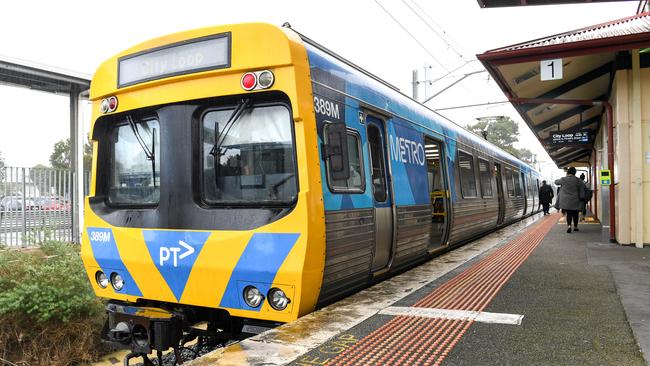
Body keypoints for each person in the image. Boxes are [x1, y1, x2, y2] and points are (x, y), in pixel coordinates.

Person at [555, 167, 584, 233]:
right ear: (575, 173)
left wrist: (563, 178)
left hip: (566, 201)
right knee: (575, 214)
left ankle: (569, 226)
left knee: (569, 214)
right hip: (576, 200)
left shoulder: (563, 179)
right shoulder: (578, 180)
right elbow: (582, 186)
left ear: (568, 172)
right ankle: (576, 227)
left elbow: (556, 182)